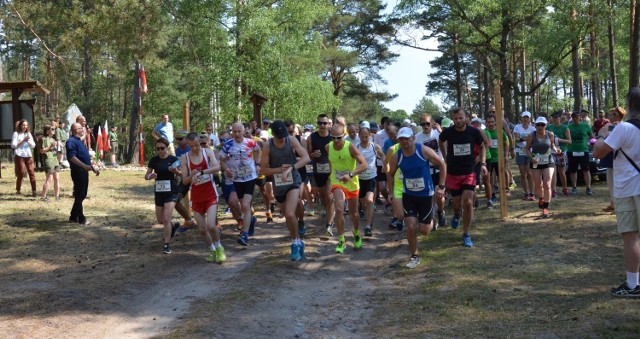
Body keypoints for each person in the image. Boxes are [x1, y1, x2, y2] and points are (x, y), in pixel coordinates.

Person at [593, 87, 640, 297]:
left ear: (629, 106)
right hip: (628, 187)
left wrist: (603, 134)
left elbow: (598, 151)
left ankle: (632, 285)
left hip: (627, 188)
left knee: (630, 236)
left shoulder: (623, 129)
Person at [388, 127, 447, 268]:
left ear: (413, 138)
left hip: (426, 194)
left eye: (407, 138)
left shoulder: (423, 150)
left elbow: (442, 164)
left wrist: (442, 185)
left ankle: (432, 214)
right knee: (410, 225)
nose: (404, 142)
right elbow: (390, 174)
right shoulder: (397, 155)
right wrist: (391, 192)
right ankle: (414, 256)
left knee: (425, 230)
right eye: (401, 139)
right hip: (409, 194)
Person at [260, 120, 310, 260]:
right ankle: (298, 239)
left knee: (289, 213)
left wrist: (292, 168)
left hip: (293, 180)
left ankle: (294, 243)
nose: (282, 140)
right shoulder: (267, 146)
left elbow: (306, 158)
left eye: (284, 137)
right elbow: (263, 169)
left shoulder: (292, 140)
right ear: (273, 135)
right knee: (287, 215)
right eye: (279, 138)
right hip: (278, 184)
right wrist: (278, 170)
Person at [439, 108, 486, 247]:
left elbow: (483, 146)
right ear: (453, 119)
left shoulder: (474, 131)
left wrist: (482, 162)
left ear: (466, 118)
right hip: (453, 172)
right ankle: (457, 214)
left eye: (461, 118)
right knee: (456, 205)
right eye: (455, 119)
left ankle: (466, 234)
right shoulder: (448, 132)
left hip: (469, 171)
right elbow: (440, 141)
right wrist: (445, 156)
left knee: (468, 202)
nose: (458, 121)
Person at [180, 132, 226, 263]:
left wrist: (202, 172)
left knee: (211, 225)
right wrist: (191, 175)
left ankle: (219, 247)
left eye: (197, 145)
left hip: (210, 194)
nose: (196, 148)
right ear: (188, 145)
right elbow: (184, 181)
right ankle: (212, 250)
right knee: (201, 230)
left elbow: (217, 167)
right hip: (196, 197)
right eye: (192, 146)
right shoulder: (185, 158)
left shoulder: (208, 152)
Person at [326, 124, 367, 253]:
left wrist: (350, 175)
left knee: (354, 213)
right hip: (337, 182)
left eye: (338, 138)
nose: (336, 141)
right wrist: (330, 175)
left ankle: (356, 234)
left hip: (351, 182)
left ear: (344, 136)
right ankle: (342, 239)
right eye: (333, 137)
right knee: (339, 209)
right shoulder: (328, 147)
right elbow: (331, 162)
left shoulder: (350, 147)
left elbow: (364, 164)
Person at [220, 123, 261, 246]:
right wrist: (226, 169)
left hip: (250, 177)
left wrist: (257, 164)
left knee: (245, 204)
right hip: (237, 179)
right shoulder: (228, 145)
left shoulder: (251, 142)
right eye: (234, 132)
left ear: (244, 132)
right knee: (245, 207)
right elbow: (221, 160)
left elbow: (259, 150)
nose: (237, 134)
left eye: (239, 131)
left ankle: (244, 234)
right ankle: (250, 220)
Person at [145, 138, 182, 254]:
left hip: (171, 191)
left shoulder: (173, 159)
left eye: (162, 148)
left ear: (167, 147)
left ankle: (166, 244)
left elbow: (182, 173)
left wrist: (176, 172)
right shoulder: (154, 160)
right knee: (161, 220)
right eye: (158, 149)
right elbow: (146, 176)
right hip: (159, 192)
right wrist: (150, 176)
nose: (160, 150)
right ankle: (173, 227)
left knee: (166, 218)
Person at [525, 117, 561, 218]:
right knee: (538, 185)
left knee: (547, 183)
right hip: (536, 161)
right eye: (538, 125)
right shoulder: (531, 135)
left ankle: (546, 208)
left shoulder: (550, 134)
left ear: (546, 125)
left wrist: (556, 150)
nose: (540, 127)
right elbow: (527, 149)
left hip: (548, 160)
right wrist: (532, 157)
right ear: (535, 125)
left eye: (542, 125)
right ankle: (541, 197)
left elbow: (552, 146)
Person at [415, 114, 447, 227]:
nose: (425, 126)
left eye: (427, 123)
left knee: (440, 197)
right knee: (430, 197)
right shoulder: (417, 137)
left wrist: (440, 130)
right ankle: (432, 219)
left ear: (431, 123)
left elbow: (447, 143)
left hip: (438, 169)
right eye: (423, 124)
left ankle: (440, 211)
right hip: (426, 171)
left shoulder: (438, 134)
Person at [66, 123, 100, 225]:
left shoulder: (79, 141)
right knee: (79, 194)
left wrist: (92, 167)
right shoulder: (71, 141)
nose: (83, 130)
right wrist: (84, 166)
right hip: (78, 171)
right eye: (81, 128)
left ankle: (73, 216)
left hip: (84, 171)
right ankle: (81, 218)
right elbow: (72, 157)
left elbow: (83, 157)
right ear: (76, 130)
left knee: (82, 194)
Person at [308, 114, 336, 235]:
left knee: (330, 198)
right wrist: (312, 154)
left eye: (325, 123)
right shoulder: (312, 137)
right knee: (324, 198)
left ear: (329, 124)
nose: (322, 126)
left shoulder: (332, 137)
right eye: (320, 123)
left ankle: (329, 224)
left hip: (331, 172)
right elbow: (307, 154)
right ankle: (329, 213)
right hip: (318, 171)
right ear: (317, 124)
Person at [357, 125, 385, 236]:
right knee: (363, 202)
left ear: (370, 136)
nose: (364, 139)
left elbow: (382, 155)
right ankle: (368, 212)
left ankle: (368, 226)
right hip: (359, 178)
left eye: (366, 137)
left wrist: (385, 164)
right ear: (359, 136)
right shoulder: (356, 147)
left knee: (369, 200)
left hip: (371, 177)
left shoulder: (374, 146)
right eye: (362, 137)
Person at [598, 106, 626, 212]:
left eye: (612, 114)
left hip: (618, 157)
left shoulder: (622, 126)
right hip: (609, 156)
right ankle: (613, 203)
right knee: (610, 180)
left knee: (617, 181)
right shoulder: (608, 126)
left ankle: (618, 204)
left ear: (618, 116)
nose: (610, 117)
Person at [567, 110, 595, 195]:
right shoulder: (569, 127)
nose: (575, 118)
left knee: (586, 170)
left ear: (580, 117)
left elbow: (591, 137)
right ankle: (574, 187)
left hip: (584, 150)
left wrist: (593, 144)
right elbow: (566, 138)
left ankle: (588, 188)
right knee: (573, 170)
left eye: (577, 116)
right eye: (574, 117)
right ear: (572, 118)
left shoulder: (586, 126)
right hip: (572, 150)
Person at [547, 110, 572, 197]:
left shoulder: (565, 128)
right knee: (553, 171)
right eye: (553, 117)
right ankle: (553, 190)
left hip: (561, 151)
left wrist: (559, 140)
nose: (554, 119)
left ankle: (565, 188)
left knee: (561, 171)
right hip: (551, 152)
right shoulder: (549, 127)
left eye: (556, 117)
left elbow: (569, 141)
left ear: (560, 118)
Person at [513, 111, 536, 200]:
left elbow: (534, 140)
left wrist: (524, 139)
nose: (525, 119)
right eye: (524, 117)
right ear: (521, 118)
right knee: (523, 173)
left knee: (530, 173)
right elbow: (517, 139)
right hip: (520, 151)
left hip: (530, 151)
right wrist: (527, 139)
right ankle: (526, 192)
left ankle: (532, 193)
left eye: (527, 117)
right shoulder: (517, 127)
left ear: (530, 119)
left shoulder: (533, 129)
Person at [11, 119, 37, 196]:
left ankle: (34, 191)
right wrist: (23, 140)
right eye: (23, 125)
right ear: (20, 126)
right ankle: (18, 190)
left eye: (26, 125)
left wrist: (28, 141)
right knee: (21, 173)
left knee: (31, 172)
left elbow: (33, 145)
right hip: (19, 155)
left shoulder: (28, 134)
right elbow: (13, 145)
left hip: (28, 155)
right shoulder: (16, 134)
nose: (24, 127)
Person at [40, 124, 61, 202]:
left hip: (55, 160)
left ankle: (57, 196)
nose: (54, 130)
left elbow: (56, 151)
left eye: (54, 129)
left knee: (57, 178)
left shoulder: (53, 140)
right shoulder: (44, 139)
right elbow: (41, 151)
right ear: (47, 131)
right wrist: (50, 147)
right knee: (49, 178)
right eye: (52, 129)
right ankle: (43, 196)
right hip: (48, 160)